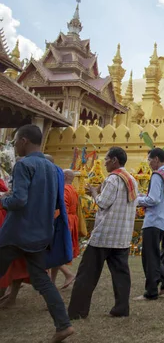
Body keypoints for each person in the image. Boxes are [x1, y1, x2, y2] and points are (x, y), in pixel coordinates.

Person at [0, 124, 74, 342]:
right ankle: (63, 325)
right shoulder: (53, 168)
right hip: (42, 233)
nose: (14, 147)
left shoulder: (24, 165)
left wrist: (4, 200)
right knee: (42, 280)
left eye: (15, 142)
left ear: (24, 140)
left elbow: (20, 199)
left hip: (17, 232)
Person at [68, 147, 138, 319]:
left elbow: (103, 203)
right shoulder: (131, 180)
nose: (104, 162)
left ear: (114, 160)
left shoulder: (113, 179)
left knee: (87, 273)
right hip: (122, 236)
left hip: (105, 235)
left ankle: (77, 311)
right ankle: (121, 308)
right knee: (121, 274)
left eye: (106, 159)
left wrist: (94, 192)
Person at [135, 148, 164, 300]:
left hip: (153, 220)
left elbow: (153, 199)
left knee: (149, 257)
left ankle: (151, 291)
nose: (149, 163)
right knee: (152, 255)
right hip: (163, 220)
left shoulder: (158, 175)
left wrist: (137, 201)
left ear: (156, 159)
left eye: (150, 160)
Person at [0, 172, 30, 308]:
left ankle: (11, 296)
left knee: (16, 261)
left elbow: (14, 197)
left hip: (7, 221)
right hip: (9, 220)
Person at [50, 169, 78, 290]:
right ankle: (52, 281)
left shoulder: (65, 189)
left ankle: (68, 274)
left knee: (54, 251)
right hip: (71, 221)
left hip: (64, 222)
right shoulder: (73, 189)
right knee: (58, 250)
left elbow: (63, 209)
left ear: (65, 176)